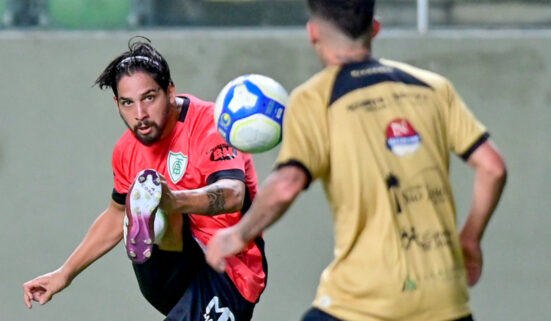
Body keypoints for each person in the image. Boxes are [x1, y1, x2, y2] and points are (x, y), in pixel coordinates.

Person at [206, 1, 507, 320]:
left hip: (363, 301)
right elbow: (493, 167)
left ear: (313, 33)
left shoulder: (314, 99)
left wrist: (237, 235)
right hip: (445, 300)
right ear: (374, 28)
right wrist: (471, 239)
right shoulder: (433, 88)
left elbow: (286, 186)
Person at [23, 38, 267, 321]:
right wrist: (64, 274)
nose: (139, 114)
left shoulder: (210, 124)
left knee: (163, 202)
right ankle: (157, 225)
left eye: (149, 98)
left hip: (229, 272)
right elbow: (116, 216)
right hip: (169, 272)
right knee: (144, 199)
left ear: (170, 91)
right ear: (117, 103)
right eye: (127, 103)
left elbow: (233, 194)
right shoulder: (126, 150)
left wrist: (173, 200)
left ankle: (161, 216)